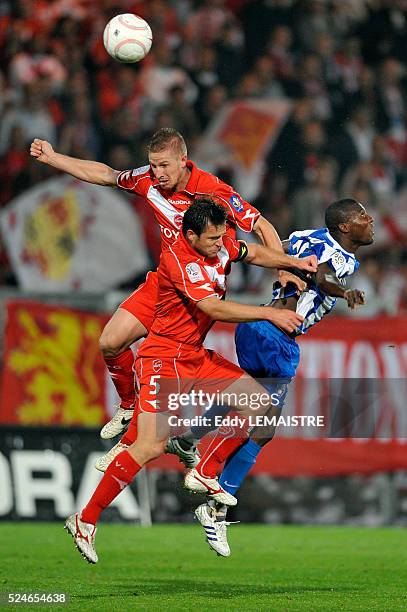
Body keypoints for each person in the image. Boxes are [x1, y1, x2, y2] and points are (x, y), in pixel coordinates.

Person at [64, 198, 317, 563]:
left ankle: (205, 471)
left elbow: (254, 253)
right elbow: (213, 307)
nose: (220, 244)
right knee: (150, 447)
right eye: (212, 239)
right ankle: (85, 520)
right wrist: (268, 314)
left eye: (221, 237)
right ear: (191, 234)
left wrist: (294, 262)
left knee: (258, 399)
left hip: (195, 357)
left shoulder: (220, 243)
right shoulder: (179, 260)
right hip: (163, 360)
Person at [30, 128, 304, 441]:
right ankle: (130, 405)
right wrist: (53, 158)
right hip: (162, 282)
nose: (157, 173)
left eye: (164, 166)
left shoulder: (212, 190)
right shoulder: (147, 180)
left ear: (184, 161)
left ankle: (173, 442)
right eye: (153, 165)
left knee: (170, 365)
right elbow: (107, 174)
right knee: (110, 342)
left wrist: (283, 269)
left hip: (199, 292)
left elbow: (260, 226)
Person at [172, 198, 374, 556]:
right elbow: (323, 276)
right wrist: (344, 292)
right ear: (344, 227)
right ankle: (215, 504)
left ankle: (191, 438)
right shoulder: (338, 256)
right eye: (361, 216)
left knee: (245, 399)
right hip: (277, 336)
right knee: (263, 426)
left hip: (257, 326)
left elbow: (280, 253)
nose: (370, 220)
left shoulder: (304, 236)